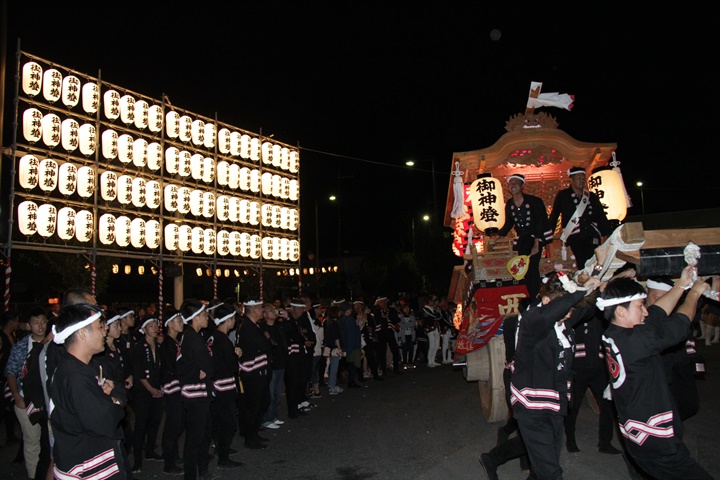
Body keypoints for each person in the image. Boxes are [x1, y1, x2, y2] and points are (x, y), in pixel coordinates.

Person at [599, 266, 713, 479]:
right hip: (657, 444)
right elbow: (680, 324)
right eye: (640, 306)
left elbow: (657, 313)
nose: (645, 311)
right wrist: (695, 293)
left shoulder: (614, 333)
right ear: (621, 311)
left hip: (638, 438)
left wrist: (681, 285)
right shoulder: (637, 339)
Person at [509, 270, 602, 480]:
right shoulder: (531, 321)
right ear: (546, 301)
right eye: (566, 308)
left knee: (544, 467)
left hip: (555, 407)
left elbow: (587, 306)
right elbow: (555, 310)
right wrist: (582, 289)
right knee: (551, 473)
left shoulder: (563, 322)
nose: (569, 314)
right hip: (532, 409)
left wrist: (598, 278)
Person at [49, 303, 127, 479]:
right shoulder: (75, 376)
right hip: (87, 467)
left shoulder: (76, 368)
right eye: (99, 326)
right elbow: (106, 421)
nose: (105, 331)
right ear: (83, 333)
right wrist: (115, 401)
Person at [4, 306, 51, 480]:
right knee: (32, 441)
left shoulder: (54, 346)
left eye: (43, 322)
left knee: (50, 442)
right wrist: (17, 396)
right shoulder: (21, 347)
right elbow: (10, 372)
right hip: (26, 399)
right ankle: (33, 475)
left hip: (48, 400)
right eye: (36, 322)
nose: (40, 326)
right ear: (28, 325)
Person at [496, 173, 552, 299]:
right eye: (511, 183)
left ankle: (537, 296)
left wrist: (536, 243)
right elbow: (509, 223)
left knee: (533, 267)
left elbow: (539, 222)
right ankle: (533, 297)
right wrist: (498, 236)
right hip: (523, 240)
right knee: (525, 269)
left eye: (516, 183)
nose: (513, 185)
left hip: (535, 238)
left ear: (522, 186)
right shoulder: (510, 204)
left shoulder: (533, 201)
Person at [176, 299, 215, 480]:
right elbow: (209, 367)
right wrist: (201, 371)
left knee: (203, 434)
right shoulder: (193, 339)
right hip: (196, 396)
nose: (207, 318)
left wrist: (203, 370)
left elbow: (204, 368)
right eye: (204, 314)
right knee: (195, 438)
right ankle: (191, 475)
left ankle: (202, 469)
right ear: (196, 317)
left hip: (198, 393)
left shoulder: (191, 335)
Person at [548, 167, 613, 270]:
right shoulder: (563, 196)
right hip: (575, 235)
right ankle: (586, 278)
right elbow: (555, 214)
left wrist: (606, 233)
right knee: (582, 261)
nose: (582, 181)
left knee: (595, 259)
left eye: (583, 178)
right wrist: (548, 233)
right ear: (571, 179)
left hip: (592, 233)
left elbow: (601, 216)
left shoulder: (591, 196)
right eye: (579, 178)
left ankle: (595, 277)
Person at [207, 303, 243, 468]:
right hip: (224, 386)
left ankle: (221, 449)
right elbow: (231, 366)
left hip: (216, 386)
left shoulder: (213, 337)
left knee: (219, 421)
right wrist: (236, 356)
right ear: (228, 320)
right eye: (233, 318)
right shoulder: (222, 340)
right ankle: (223, 457)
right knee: (228, 422)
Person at [129, 317, 164, 474]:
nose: (154, 328)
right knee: (141, 424)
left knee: (155, 421)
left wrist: (159, 388)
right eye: (151, 326)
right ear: (144, 329)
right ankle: (137, 461)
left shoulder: (158, 346)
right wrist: (151, 389)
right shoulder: (139, 347)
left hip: (156, 388)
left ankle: (150, 450)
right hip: (143, 391)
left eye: (156, 325)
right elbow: (139, 372)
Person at [236, 298, 271, 449]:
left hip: (258, 371)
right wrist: (266, 340)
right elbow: (265, 345)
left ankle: (253, 433)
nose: (262, 311)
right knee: (253, 406)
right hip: (252, 373)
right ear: (254, 310)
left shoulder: (253, 325)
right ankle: (250, 438)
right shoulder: (247, 327)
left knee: (261, 403)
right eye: (261, 308)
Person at [159, 308, 185, 475]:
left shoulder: (176, 341)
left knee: (178, 424)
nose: (182, 323)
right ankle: (168, 463)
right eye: (178, 321)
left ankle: (174, 455)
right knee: (173, 426)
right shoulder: (167, 344)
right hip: (172, 388)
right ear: (169, 324)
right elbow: (172, 368)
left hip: (179, 387)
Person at [260, 303, 287, 429]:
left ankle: (273, 416)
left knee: (277, 394)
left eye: (274, 309)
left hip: (280, 363)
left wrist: (287, 317)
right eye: (270, 310)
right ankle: (267, 419)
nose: (274, 311)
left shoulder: (279, 326)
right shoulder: (262, 328)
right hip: (270, 364)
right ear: (264, 314)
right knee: (270, 394)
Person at [338, 300, 363, 387]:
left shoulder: (341, 320)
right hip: (352, 346)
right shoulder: (349, 320)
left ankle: (350, 381)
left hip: (345, 345)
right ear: (348, 310)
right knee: (353, 364)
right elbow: (351, 334)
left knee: (349, 364)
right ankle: (351, 381)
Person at [322, 305, 344, 395]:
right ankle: (332, 386)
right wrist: (340, 349)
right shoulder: (334, 324)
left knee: (332, 367)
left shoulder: (328, 322)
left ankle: (332, 385)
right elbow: (336, 337)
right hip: (334, 348)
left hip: (329, 347)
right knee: (334, 368)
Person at [398, 302, 416, 368]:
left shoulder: (412, 316)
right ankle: (405, 362)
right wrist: (408, 324)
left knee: (411, 349)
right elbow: (401, 325)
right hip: (404, 335)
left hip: (411, 335)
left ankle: (410, 362)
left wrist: (405, 324)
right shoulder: (401, 317)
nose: (407, 309)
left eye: (407, 308)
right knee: (404, 349)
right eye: (405, 308)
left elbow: (413, 324)